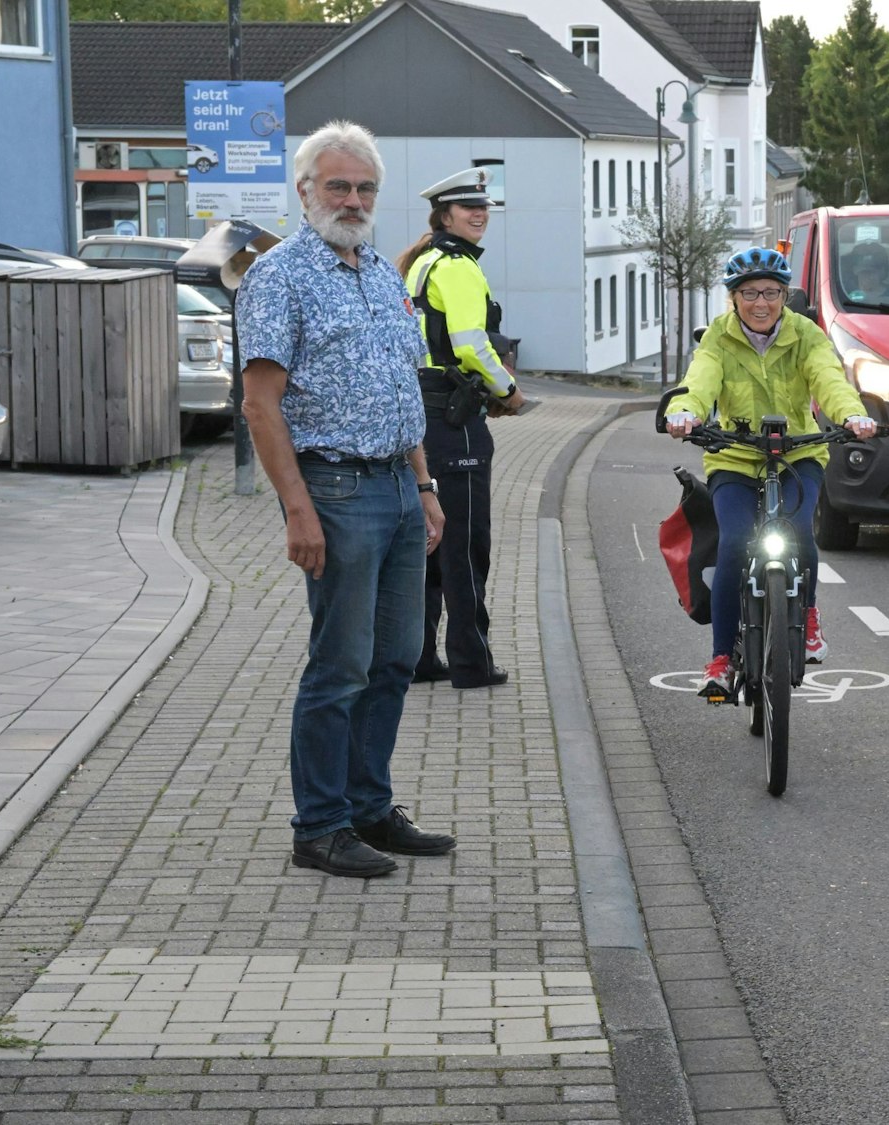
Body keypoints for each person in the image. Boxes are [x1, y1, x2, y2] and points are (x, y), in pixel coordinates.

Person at [237, 120, 456, 879]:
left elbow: (403, 389)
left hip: (397, 485)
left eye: (364, 188)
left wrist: (424, 484)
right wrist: (297, 507)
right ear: (305, 192)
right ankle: (320, 826)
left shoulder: (380, 273)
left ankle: (369, 806)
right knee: (340, 665)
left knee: (396, 657)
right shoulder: (280, 276)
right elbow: (261, 405)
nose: (353, 199)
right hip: (333, 488)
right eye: (338, 185)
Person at [665, 248, 876, 696]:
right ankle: (721, 659)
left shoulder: (806, 334)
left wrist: (851, 416)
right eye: (749, 293)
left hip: (797, 452)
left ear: (785, 295)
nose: (760, 303)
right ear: (733, 297)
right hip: (735, 456)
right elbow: (700, 381)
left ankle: (810, 616)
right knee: (736, 542)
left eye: (771, 292)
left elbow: (828, 379)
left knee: (799, 530)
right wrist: (685, 412)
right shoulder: (718, 339)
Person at [395, 168, 528, 691]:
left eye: (484, 208)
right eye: (468, 208)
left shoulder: (421, 263)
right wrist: (508, 394)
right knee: (466, 543)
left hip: (422, 415)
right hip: (456, 419)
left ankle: (421, 657)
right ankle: (473, 663)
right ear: (444, 215)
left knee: (429, 539)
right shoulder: (459, 267)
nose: (479, 214)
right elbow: (472, 343)